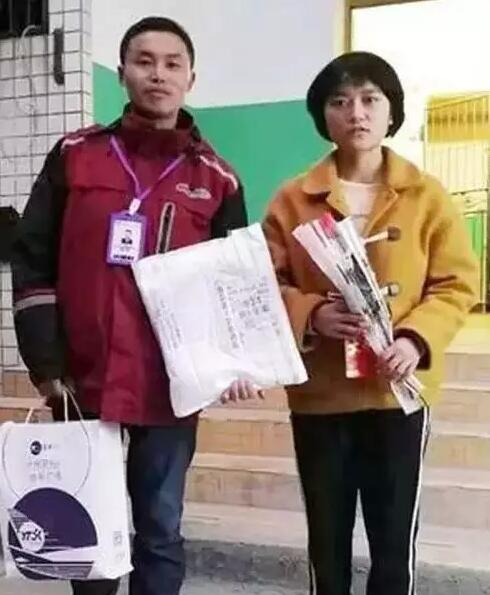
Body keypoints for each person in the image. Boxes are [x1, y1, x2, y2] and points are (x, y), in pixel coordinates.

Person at [11, 16, 260, 595]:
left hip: (170, 386)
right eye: (144, 61)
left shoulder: (218, 180)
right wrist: (47, 366)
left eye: (173, 64)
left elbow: (232, 289)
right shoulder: (75, 155)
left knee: (160, 528)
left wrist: (232, 364)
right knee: (86, 525)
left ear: (191, 79)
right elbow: (33, 259)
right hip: (81, 379)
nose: (158, 74)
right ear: (122, 72)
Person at [262, 51, 479, 595]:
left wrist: (416, 338)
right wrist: (312, 313)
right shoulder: (292, 199)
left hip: (397, 395)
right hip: (321, 396)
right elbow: (263, 284)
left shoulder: (427, 196)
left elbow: (457, 284)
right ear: (323, 115)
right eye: (339, 101)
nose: (355, 112)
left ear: (391, 110)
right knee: (327, 544)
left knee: (393, 545)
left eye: (369, 99)